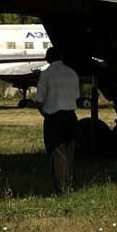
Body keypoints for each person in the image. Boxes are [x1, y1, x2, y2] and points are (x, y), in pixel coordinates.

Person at [34, 46, 79, 196]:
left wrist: (45, 114)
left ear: (47, 59)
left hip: (54, 117)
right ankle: (68, 183)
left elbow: (39, 100)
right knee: (69, 153)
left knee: (56, 153)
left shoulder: (46, 74)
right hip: (71, 116)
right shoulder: (72, 73)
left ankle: (61, 189)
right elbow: (76, 96)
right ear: (61, 57)